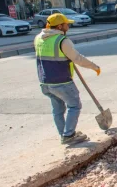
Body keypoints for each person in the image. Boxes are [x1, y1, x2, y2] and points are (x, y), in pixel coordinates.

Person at [35, 13, 101, 145]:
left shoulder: (38, 38)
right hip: (62, 82)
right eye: (66, 24)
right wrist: (94, 67)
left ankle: (64, 134)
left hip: (45, 82)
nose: (68, 26)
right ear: (60, 26)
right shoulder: (62, 41)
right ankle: (69, 134)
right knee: (74, 106)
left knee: (58, 110)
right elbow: (78, 58)